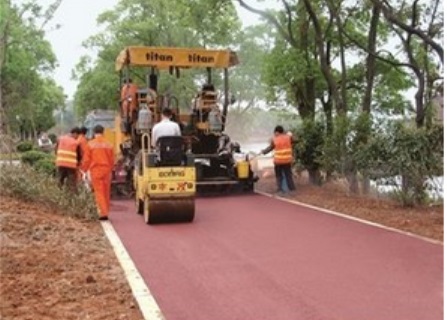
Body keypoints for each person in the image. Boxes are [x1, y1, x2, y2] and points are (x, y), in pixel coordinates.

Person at [81, 125, 114, 221]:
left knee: (99, 192)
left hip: (96, 170)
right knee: (106, 192)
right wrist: (111, 169)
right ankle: (106, 210)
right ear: (103, 132)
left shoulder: (90, 144)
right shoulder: (109, 144)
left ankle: (103, 213)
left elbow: (87, 160)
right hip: (107, 170)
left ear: (94, 132)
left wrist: (84, 169)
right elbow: (112, 160)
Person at [260, 125, 296, 194]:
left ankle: (280, 189)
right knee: (288, 175)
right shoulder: (288, 138)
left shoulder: (275, 139)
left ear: (277, 132)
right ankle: (292, 189)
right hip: (287, 161)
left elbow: (270, 148)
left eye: (275, 133)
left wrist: (263, 152)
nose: (274, 134)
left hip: (278, 161)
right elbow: (295, 140)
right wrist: (290, 135)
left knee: (279, 176)